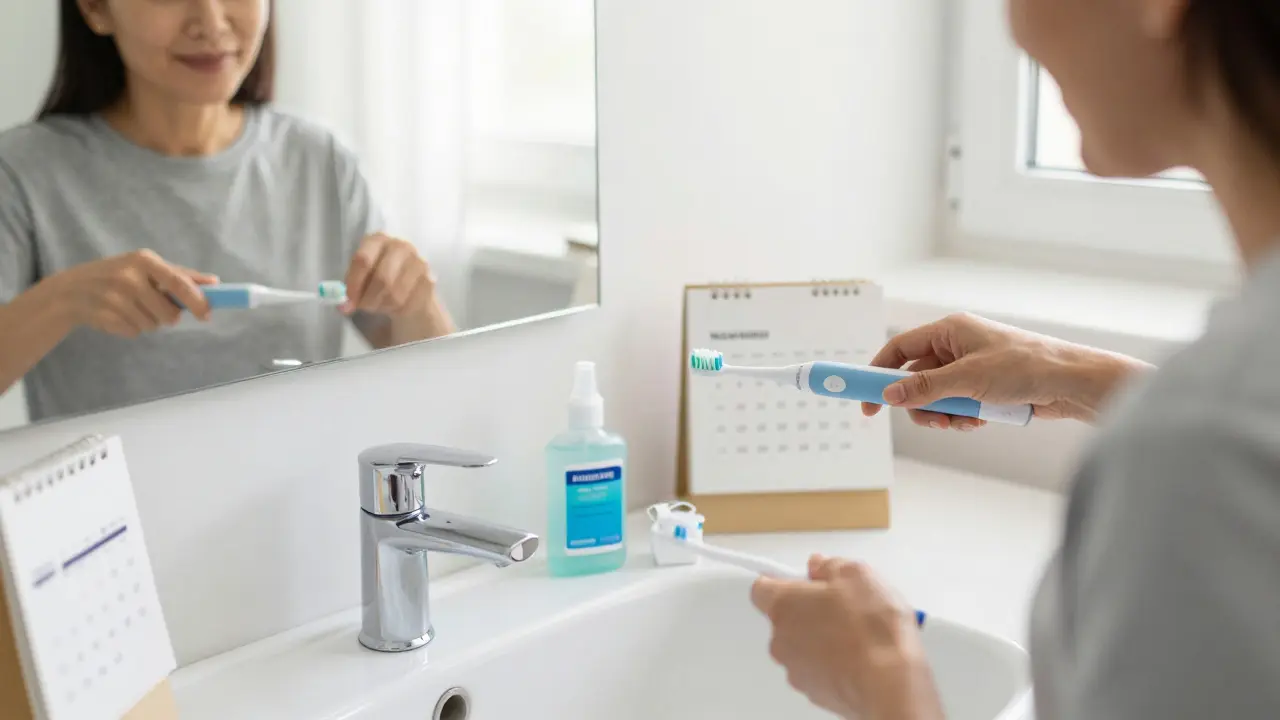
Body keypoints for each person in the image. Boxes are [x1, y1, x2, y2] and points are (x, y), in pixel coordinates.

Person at [750, 0, 1280, 718]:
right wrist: (1077, 374)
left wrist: (882, 689)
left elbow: (1220, 451)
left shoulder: (1197, 455)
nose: (1012, 24)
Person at [0, 0, 455, 423]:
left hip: (295, 498)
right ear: (96, 9)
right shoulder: (22, 172)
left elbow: (447, 391)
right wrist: (63, 300)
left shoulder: (320, 160)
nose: (211, 21)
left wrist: (416, 300)